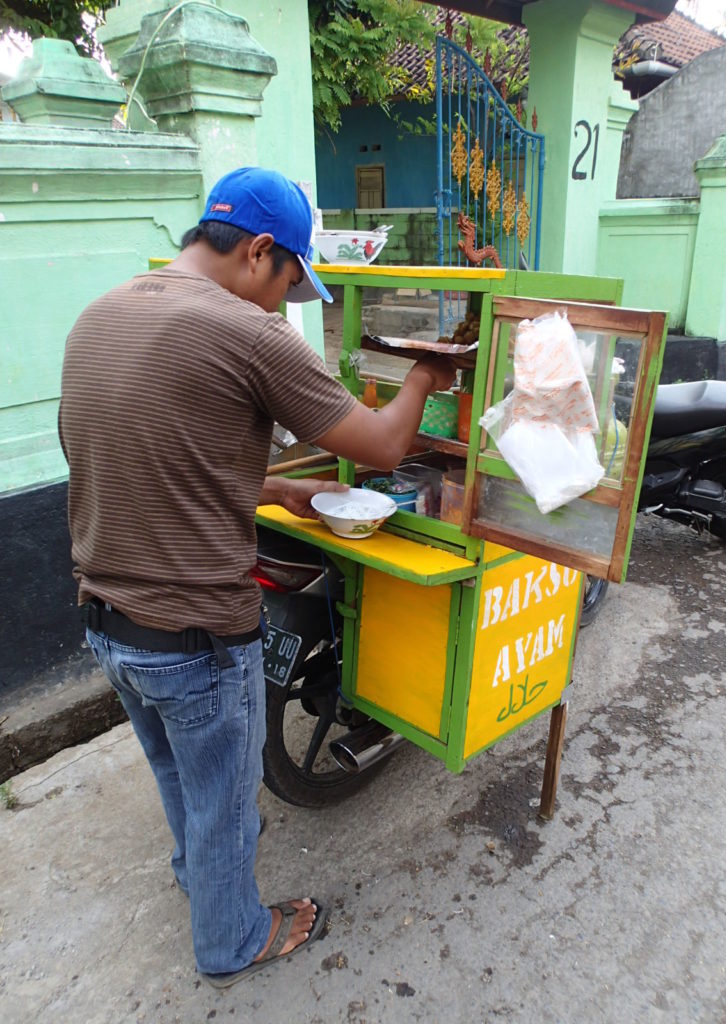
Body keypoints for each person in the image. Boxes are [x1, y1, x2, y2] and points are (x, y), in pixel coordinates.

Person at [58, 166, 456, 988]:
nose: (283, 305)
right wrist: (425, 374)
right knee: (230, 799)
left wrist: (274, 488)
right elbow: (383, 446)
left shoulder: (103, 313)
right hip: (196, 637)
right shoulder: (247, 328)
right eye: (287, 285)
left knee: (180, 775)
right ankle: (233, 937)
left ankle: (197, 874)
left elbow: (139, 459)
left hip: (105, 618)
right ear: (262, 252)